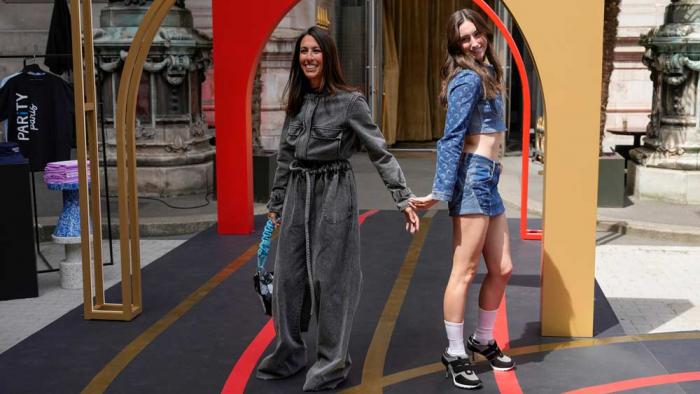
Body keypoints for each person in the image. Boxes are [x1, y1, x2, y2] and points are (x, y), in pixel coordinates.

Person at [256, 26, 419, 392]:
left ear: (328, 56)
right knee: (287, 279)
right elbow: (284, 155)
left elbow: (380, 150)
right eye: (303, 52)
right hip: (299, 191)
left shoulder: (350, 101)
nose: (309, 57)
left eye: (315, 51)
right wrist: (276, 203)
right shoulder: (297, 99)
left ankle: (332, 362)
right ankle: (290, 351)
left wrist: (402, 196)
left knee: (332, 281)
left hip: (334, 193)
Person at [410, 9, 515, 390]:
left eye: (477, 35)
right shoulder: (468, 79)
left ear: (485, 33)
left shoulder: (489, 73)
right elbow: (451, 137)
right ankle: (455, 352)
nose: (474, 43)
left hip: (489, 180)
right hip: (472, 178)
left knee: (502, 268)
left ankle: (482, 340)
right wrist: (441, 190)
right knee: (465, 270)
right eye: (465, 40)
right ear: (456, 46)